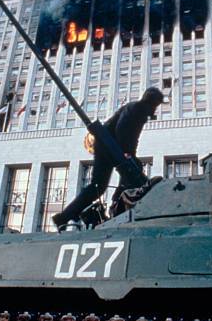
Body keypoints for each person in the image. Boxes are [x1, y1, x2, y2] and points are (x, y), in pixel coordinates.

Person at [52, 87, 164, 228]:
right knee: (99, 185)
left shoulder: (137, 108)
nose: (156, 109)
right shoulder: (138, 109)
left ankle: (67, 215)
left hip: (110, 146)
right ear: (152, 101)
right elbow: (122, 129)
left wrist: (131, 155)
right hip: (108, 147)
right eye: (156, 105)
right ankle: (68, 215)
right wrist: (128, 152)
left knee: (114, 179)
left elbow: (132, 136)